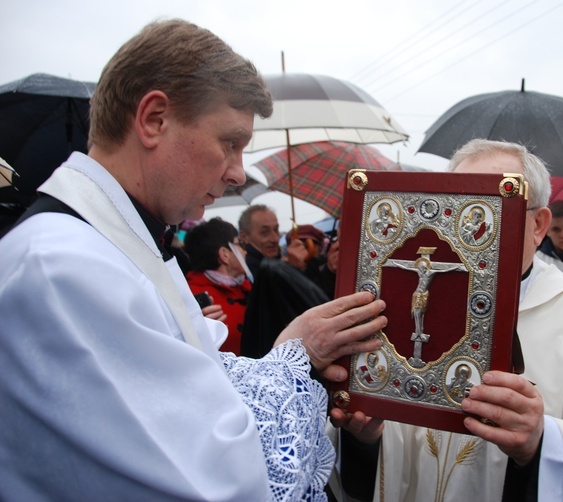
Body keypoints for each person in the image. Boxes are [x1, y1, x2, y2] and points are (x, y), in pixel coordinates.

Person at [0, 19, 387, 501]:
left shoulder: (117, 243)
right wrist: (293, 361)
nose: (237, 173)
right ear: (154, 119)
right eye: (230, 142)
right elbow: (210, 481)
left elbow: (196, 388)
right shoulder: (61, 268)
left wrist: (294, 351)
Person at [331, 139, 563, 501]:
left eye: (491, 208)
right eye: (456, 208)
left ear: (538, 225)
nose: (467, 228)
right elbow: (381, 460)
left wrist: (541, 444)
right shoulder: (392, 314)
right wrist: (365, 440)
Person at [183, 217, 251, 356]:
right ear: (225, 254)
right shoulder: (190, 296)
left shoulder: (247, 286)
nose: (245, 251)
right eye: (240, 244)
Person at [238, 203, 282, 282]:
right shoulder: (244, 274)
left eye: (276, 230)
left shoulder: (280, 261)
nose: (275, 239)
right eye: (265, 232)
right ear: (244, 236)